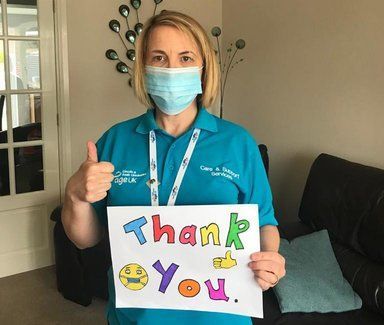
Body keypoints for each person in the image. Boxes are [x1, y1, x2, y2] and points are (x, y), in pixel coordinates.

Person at [62, 10, 286, 325]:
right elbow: (86, 238)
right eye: (159, 58)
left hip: (221, 317)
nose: (172, 69)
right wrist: (75, 195)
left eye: (184, 58)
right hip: (136, 316)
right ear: (143, 67)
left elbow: (264, 223)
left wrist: (271, 260)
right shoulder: (115, 141)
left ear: (202, 68)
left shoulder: (238, 143)